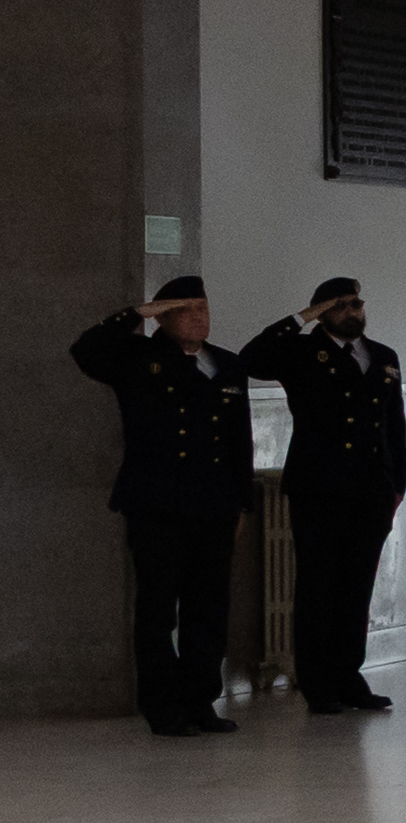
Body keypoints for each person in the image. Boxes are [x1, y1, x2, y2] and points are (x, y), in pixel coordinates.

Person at [69, 274, 253, 736]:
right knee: (157, 612)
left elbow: (239, 443)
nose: (199, 317)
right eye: (187, 309)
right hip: (157, 505)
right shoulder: (139, 357)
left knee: (207, 611)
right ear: (165, 316)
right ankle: (163, 707)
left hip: (213, 507)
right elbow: (86, 351)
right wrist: (136, 315)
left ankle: (200, 701)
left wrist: (241, 505)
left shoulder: (227, 366)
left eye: (203, 308)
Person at [240, 278, 406, 715]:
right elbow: (251, 359)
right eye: (342, 305)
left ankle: (348, 675)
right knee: (318, 587)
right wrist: (303, 318)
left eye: (357, 303)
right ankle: (317, 682)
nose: (353, 311)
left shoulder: (383, 357)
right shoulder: (300, 351)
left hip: (371, 490)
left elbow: (395, 427)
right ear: (322, 310)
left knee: (356, 588)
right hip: (320, 488)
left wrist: (397, 486)